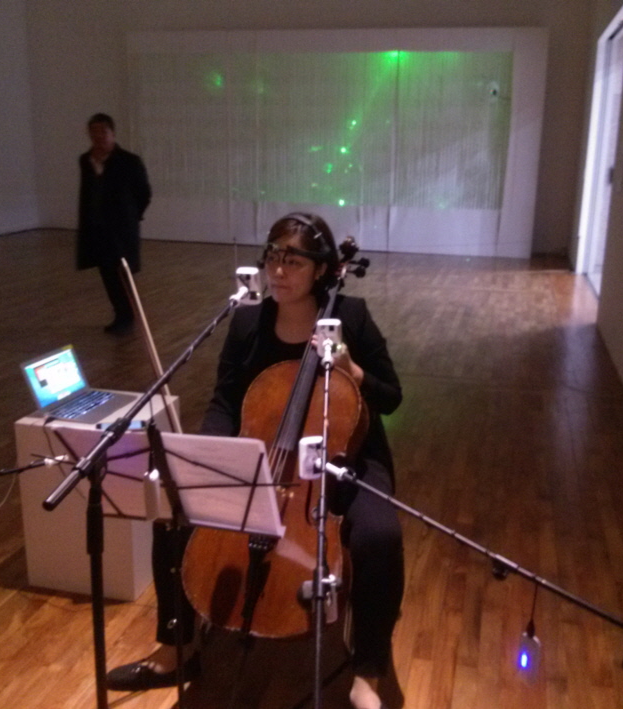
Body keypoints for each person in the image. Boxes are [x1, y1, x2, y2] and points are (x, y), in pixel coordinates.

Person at [106, 213, 405, 709]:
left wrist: (352, 369)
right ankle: (176, 648)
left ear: (322, 270)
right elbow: (226, 401)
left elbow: (392, 397)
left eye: (294, 261)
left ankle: (368, 671)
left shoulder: (350, 317)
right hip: (261, 452)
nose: (279, 271)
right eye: (273, 257)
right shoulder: (248, 322)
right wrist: (212, 458)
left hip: (343, 453)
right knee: (177, 512)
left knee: (379, 535)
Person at [76, 112, 152, 334]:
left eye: (103, 131)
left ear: (112, 133)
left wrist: (131, 216)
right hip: (97, 230)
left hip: (121, 231)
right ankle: (120, 316)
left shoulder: (129, 161)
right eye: (94, 131)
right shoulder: (86, 160)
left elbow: (144, 193)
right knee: (107, 275)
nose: (98, 136)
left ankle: (127, 318)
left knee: (123, 275)